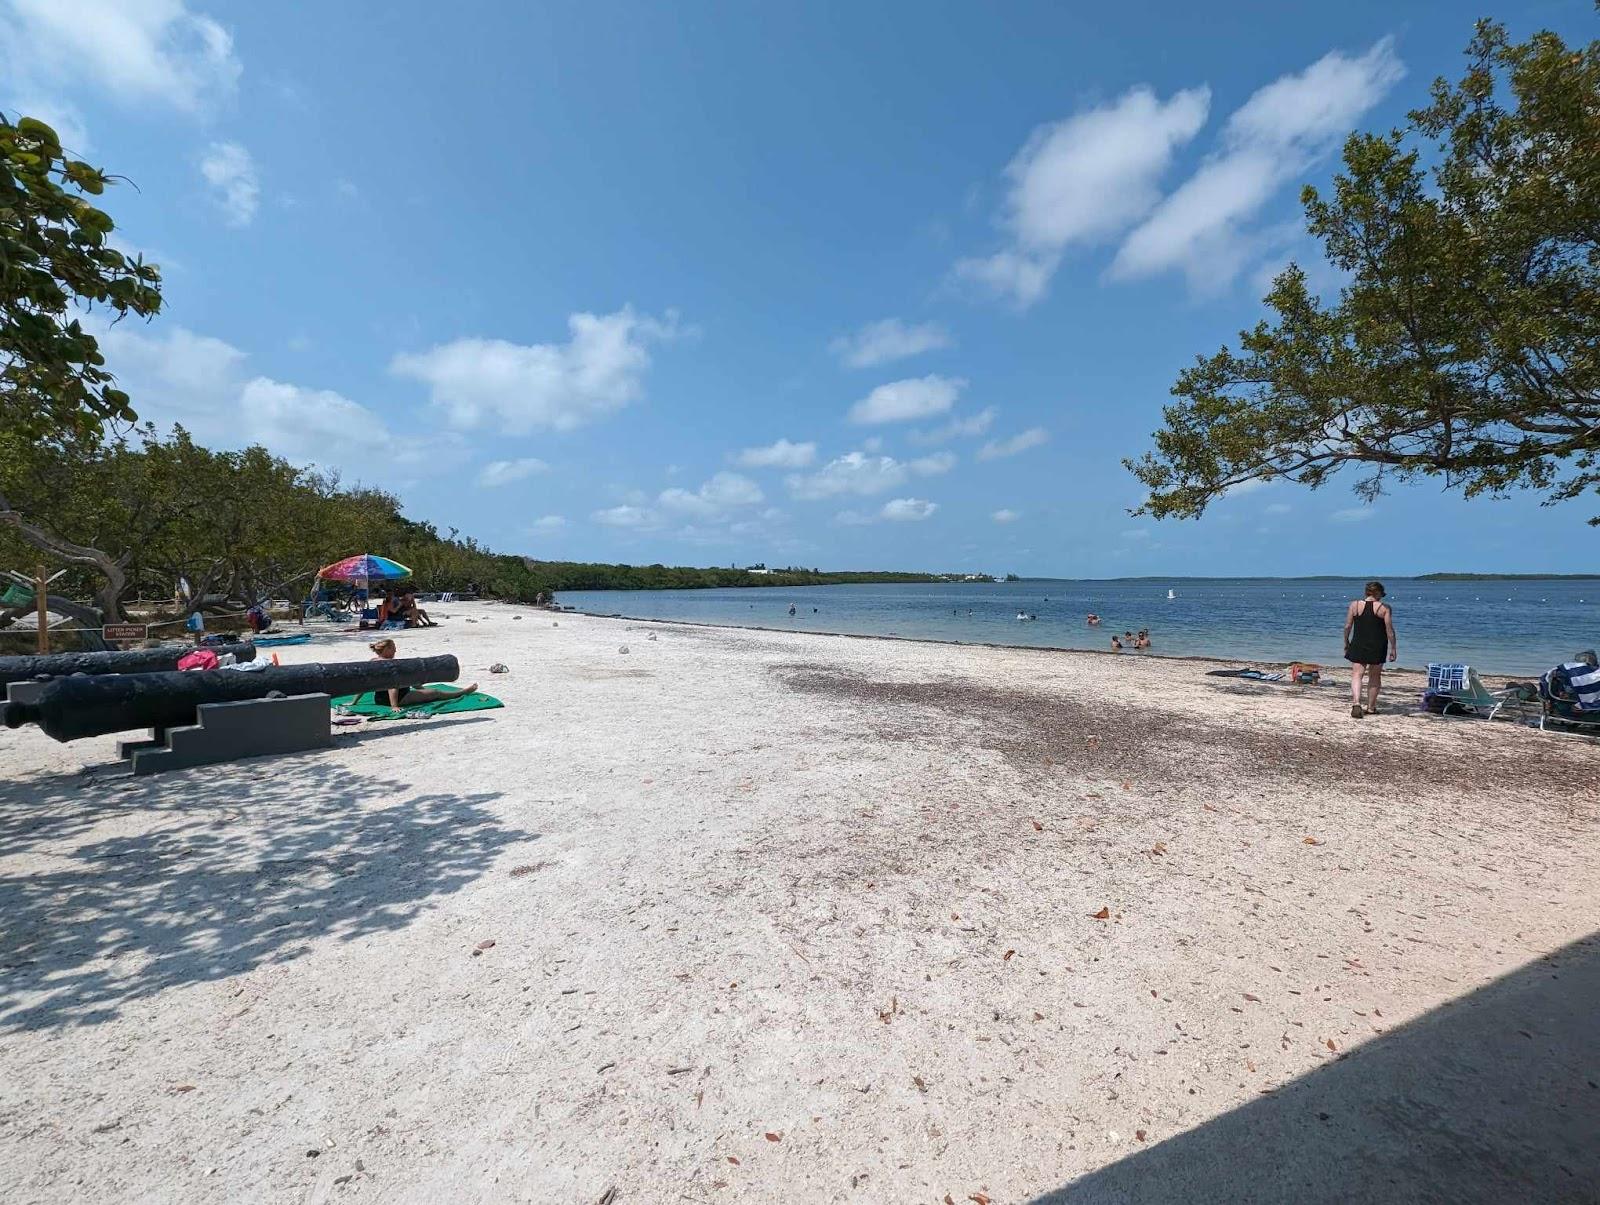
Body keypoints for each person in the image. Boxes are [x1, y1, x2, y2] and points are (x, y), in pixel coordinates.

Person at [369, 639, 477, 707]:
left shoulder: (372, 662)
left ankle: (422, 690)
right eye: (394, 648)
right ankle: (461, 693)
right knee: (436, 693)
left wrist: (355, 702)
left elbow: (364, 683)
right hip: (399, 698)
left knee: (407, 676)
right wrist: (394, 706)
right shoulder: (391, 664)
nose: (395, 651)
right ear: (387, 649)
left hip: (379, 699)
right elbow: (393, 686)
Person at [1343, 580, 1396, 718]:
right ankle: (1371, 708)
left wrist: (1346, 642)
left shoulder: (1354, 605)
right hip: (1378, 645)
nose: (1381, 597)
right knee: (1374, 676)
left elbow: (1347, 626)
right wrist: (1393, 648)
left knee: (1357, 674)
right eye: (1381, 594)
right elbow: (1389, 631)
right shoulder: (1384, 608)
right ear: (1377, 593)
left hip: (1358, 643)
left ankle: (1356, 703)